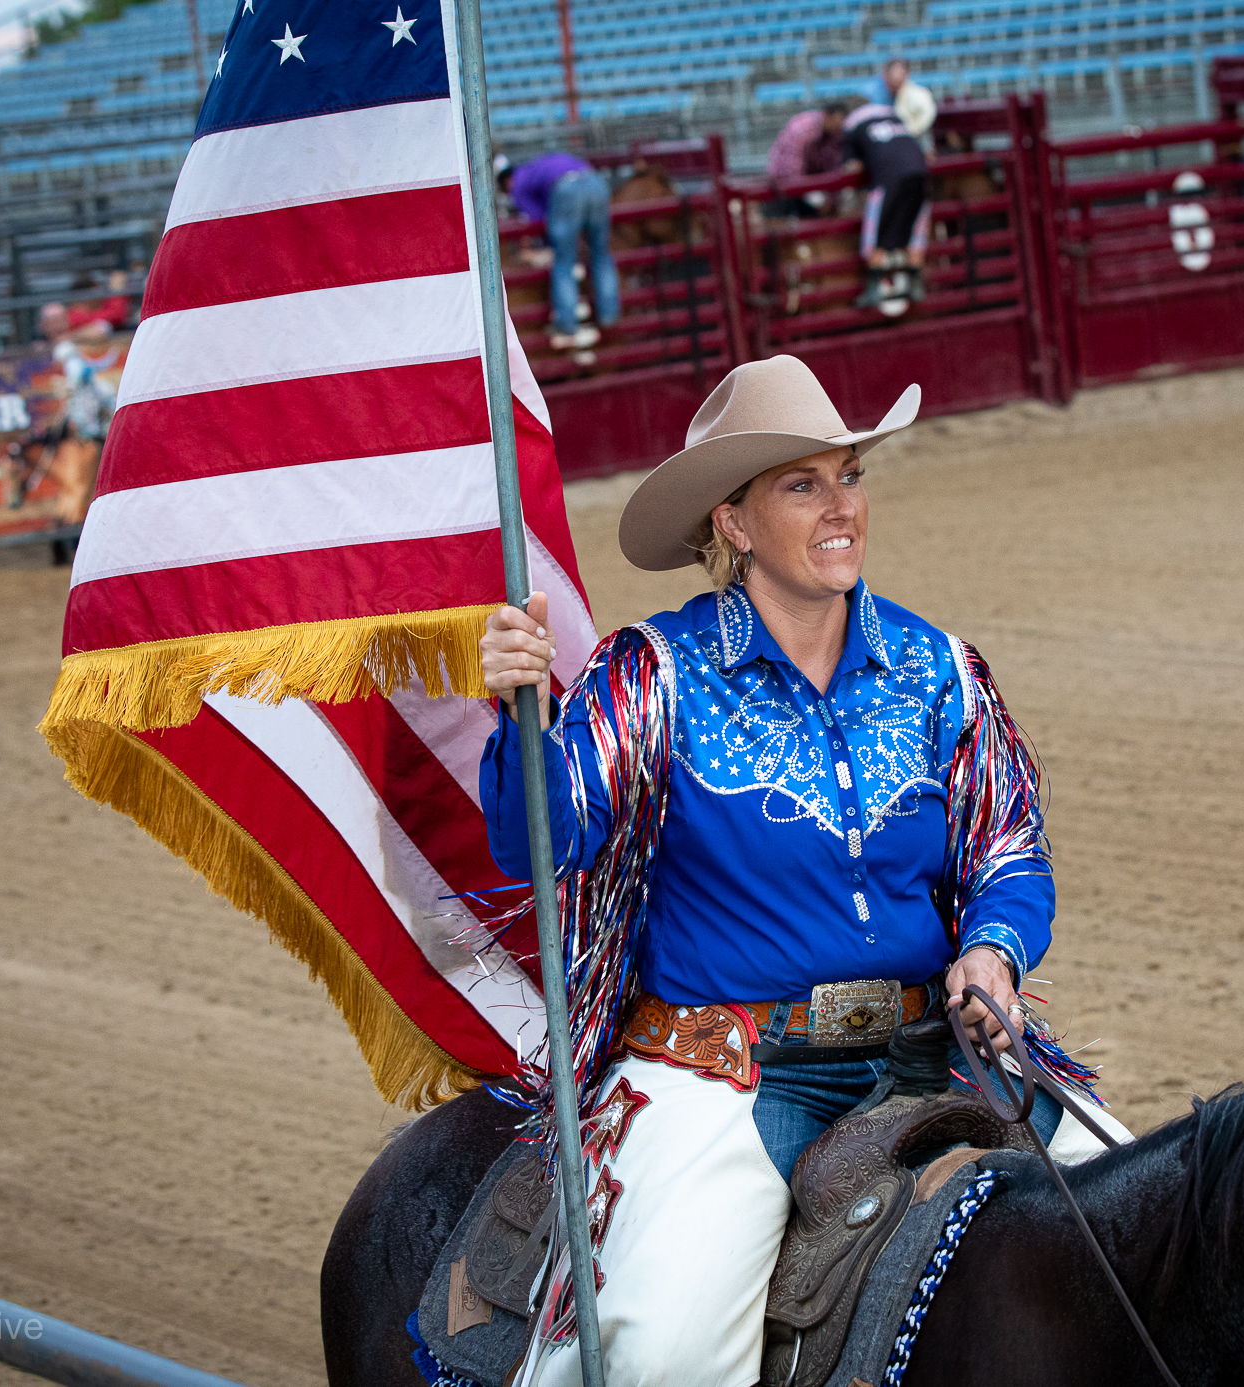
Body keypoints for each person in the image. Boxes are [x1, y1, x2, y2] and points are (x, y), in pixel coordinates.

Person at [478, 355, 1129, 1386]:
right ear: (731, 523)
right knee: (668, 1356)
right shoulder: (652, 673)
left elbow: (1006, 844)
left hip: (934, 1044)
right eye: (802, 484)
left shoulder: (939, 669)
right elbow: (534, 843)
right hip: (730, 1072)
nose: (841, 508)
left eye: (851, 475)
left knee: (1147, 1236)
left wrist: (994, 951)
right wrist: (513, 715)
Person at [497, 150, 621, 352]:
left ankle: (566, 323)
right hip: (595, 181)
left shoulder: (517, 184)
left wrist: (548, 243)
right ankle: (609, 313)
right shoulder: (537, 167)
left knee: (563, 260)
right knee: (601, 254)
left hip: (567, 189)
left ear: (505, 182)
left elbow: (536, 218)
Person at [36, 302, 119, 560]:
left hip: (89, 426)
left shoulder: (71, 345)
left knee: (82, 484)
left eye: (61, 318)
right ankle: (69, 539)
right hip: (74, 426)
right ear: (43, 326)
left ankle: (73, 539)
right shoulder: (48, 350)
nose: (58, 324)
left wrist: (68, 339)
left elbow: (103, 328)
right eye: (52, 320)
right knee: (76, 484)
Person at [842, 101, 932, 308]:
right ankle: (915, 282)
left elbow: (852, 167)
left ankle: (872, 287)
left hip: (888, 177)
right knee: (917, 226)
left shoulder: (853, 126)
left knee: (874, 232)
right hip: (919, 172)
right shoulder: (894, 116)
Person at [763, 100, 852, 219]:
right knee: (778, 227)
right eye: (838, 120)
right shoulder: (803, 129)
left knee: (817, 225)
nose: (840, 125)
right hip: (783, 184)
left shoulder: (837, 136)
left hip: (811, 186)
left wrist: (831, 201)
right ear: (828, 116)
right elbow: (791, 171)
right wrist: (817, 200)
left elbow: (834, 168)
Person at [883, 56, 937, 140]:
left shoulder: (917, 93)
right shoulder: (886, 95)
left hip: (916, 140)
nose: (894, 76)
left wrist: (908, 130)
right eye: (890, 73)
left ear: (906, 74)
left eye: (898, 72)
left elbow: (927, 115)